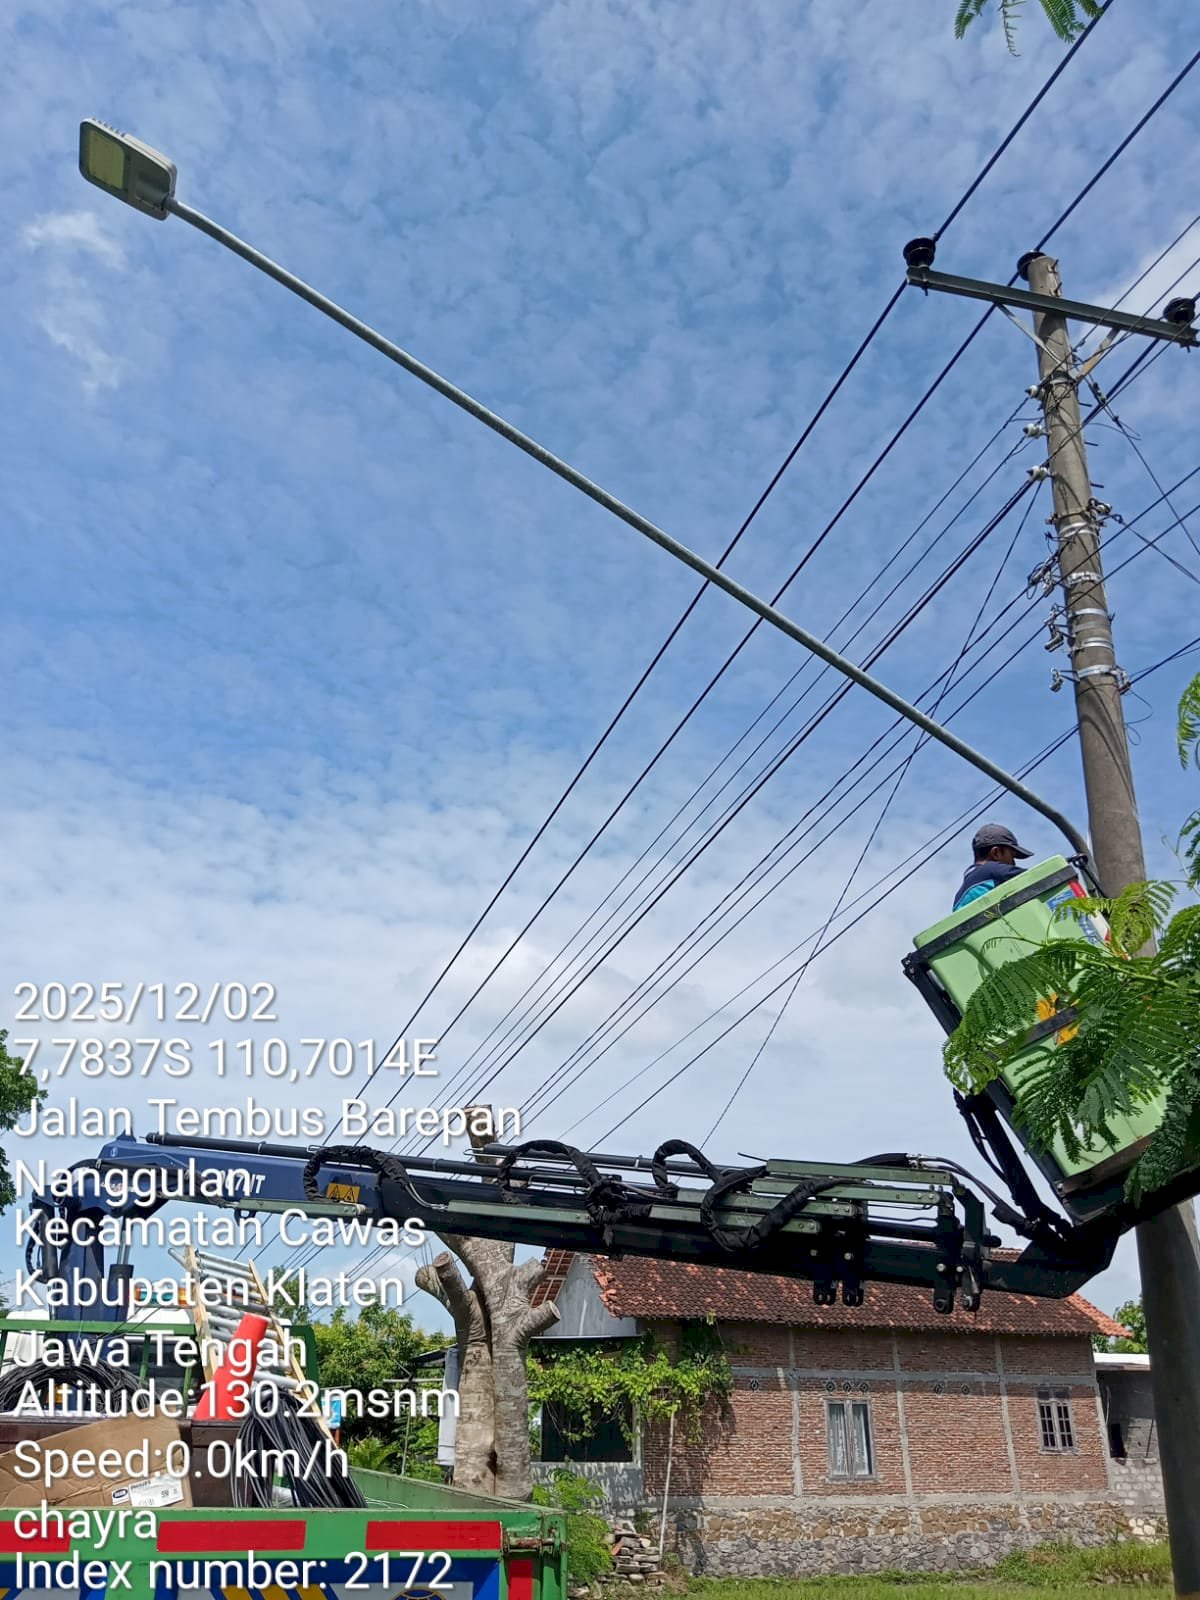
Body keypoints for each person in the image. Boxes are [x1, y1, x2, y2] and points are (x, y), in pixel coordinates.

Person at [952, 823, 1034, 911]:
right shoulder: (992, 869)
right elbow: (1034, 876)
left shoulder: (958, 897)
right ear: (996, 852)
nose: (1014, 863)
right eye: (1011, 855)